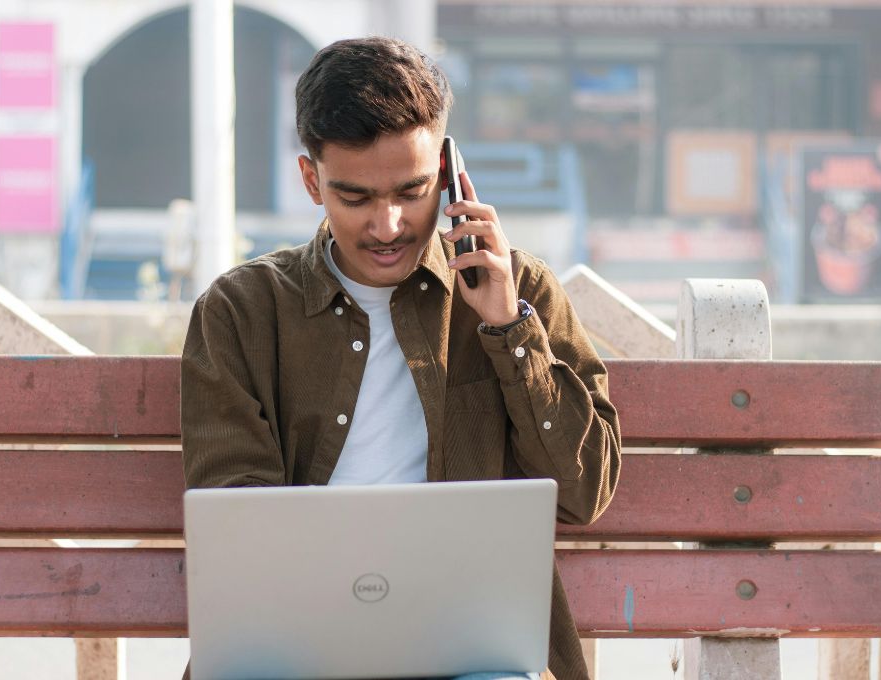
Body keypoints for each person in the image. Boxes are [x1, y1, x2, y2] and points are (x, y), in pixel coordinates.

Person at [181, 36, 621, 680]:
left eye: (411, 192)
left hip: (474, 656)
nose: (387, 225)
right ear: (312, 180)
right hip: (290, 649)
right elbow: (238, 525)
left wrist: (507, 330)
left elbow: (586, 492)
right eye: (355, 197)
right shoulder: (242, 312)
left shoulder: (518, 292)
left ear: (447, 177)